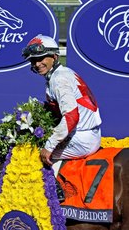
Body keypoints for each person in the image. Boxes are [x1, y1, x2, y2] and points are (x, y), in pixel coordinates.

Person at [22, 34, 101, 166]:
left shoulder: (59, 80)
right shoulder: (63, 72)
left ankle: (57, 187)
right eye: (33, 61)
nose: (37, 64)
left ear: (54, 56)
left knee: (32, 157)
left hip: (82, 139)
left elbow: (71, 116)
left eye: (41, 58)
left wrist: (49, 146)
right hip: (86, 135)